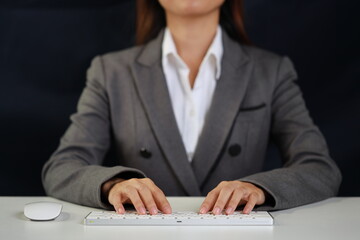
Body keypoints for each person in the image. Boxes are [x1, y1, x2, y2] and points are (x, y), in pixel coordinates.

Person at [42, 0, 341, 216]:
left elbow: (319, 168)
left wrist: (258, 188)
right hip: (143, 234)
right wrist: (112, 185)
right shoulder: (111, 72)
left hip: (238, 234)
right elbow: (62, 167)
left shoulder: (271, 71)